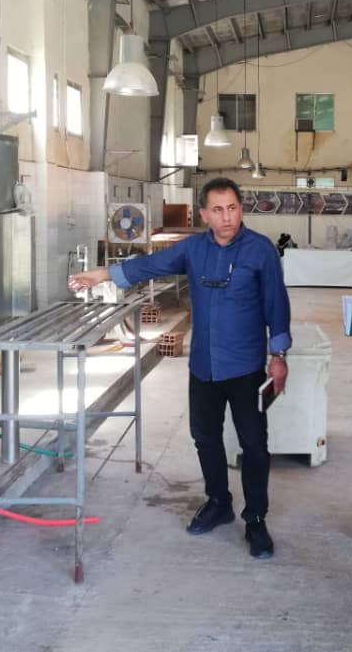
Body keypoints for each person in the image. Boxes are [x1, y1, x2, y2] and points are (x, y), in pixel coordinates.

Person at [68, 178, 292, 560]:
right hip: (203, 365)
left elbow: (276, 303)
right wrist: (102, 274)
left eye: (233, 208)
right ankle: (218, 502)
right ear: (203, 214)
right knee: (205, 436)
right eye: (218, 210)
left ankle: (256, 518)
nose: (227, 217)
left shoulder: (260, 250)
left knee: (254, 444)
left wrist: (279, 354)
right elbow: (149, 265)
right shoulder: (193, 249)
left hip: (245, 367)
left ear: (241, 209)